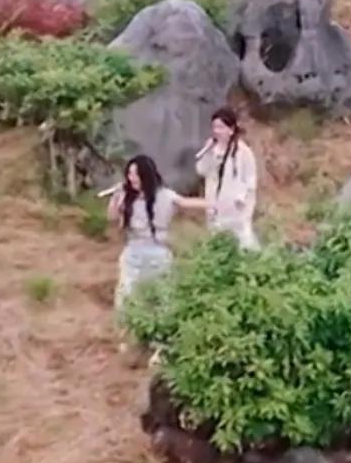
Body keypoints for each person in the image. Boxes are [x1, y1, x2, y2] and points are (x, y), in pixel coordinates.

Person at [181, 106, 259, 249]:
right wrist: (208, 152)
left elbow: (250, 181)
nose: (217, 131)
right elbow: (201, 170)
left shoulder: (243, 152)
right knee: (217, 246)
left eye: (221, 127)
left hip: (236, 211)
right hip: (215, 208)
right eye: (214, 127)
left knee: (241, 246)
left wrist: (242, 201)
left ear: (231, 129)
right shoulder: (212, 149)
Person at [109, 154, 179, 312]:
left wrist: (217, 204)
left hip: (158, 254)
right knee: (126, 296)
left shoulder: (165, 195)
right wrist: (116, 199)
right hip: (133, 254)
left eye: (135, 174)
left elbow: (185, 203)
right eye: (129, 174)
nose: (131, 178)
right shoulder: (127, 197)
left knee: (161, 298)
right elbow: (112, 217)